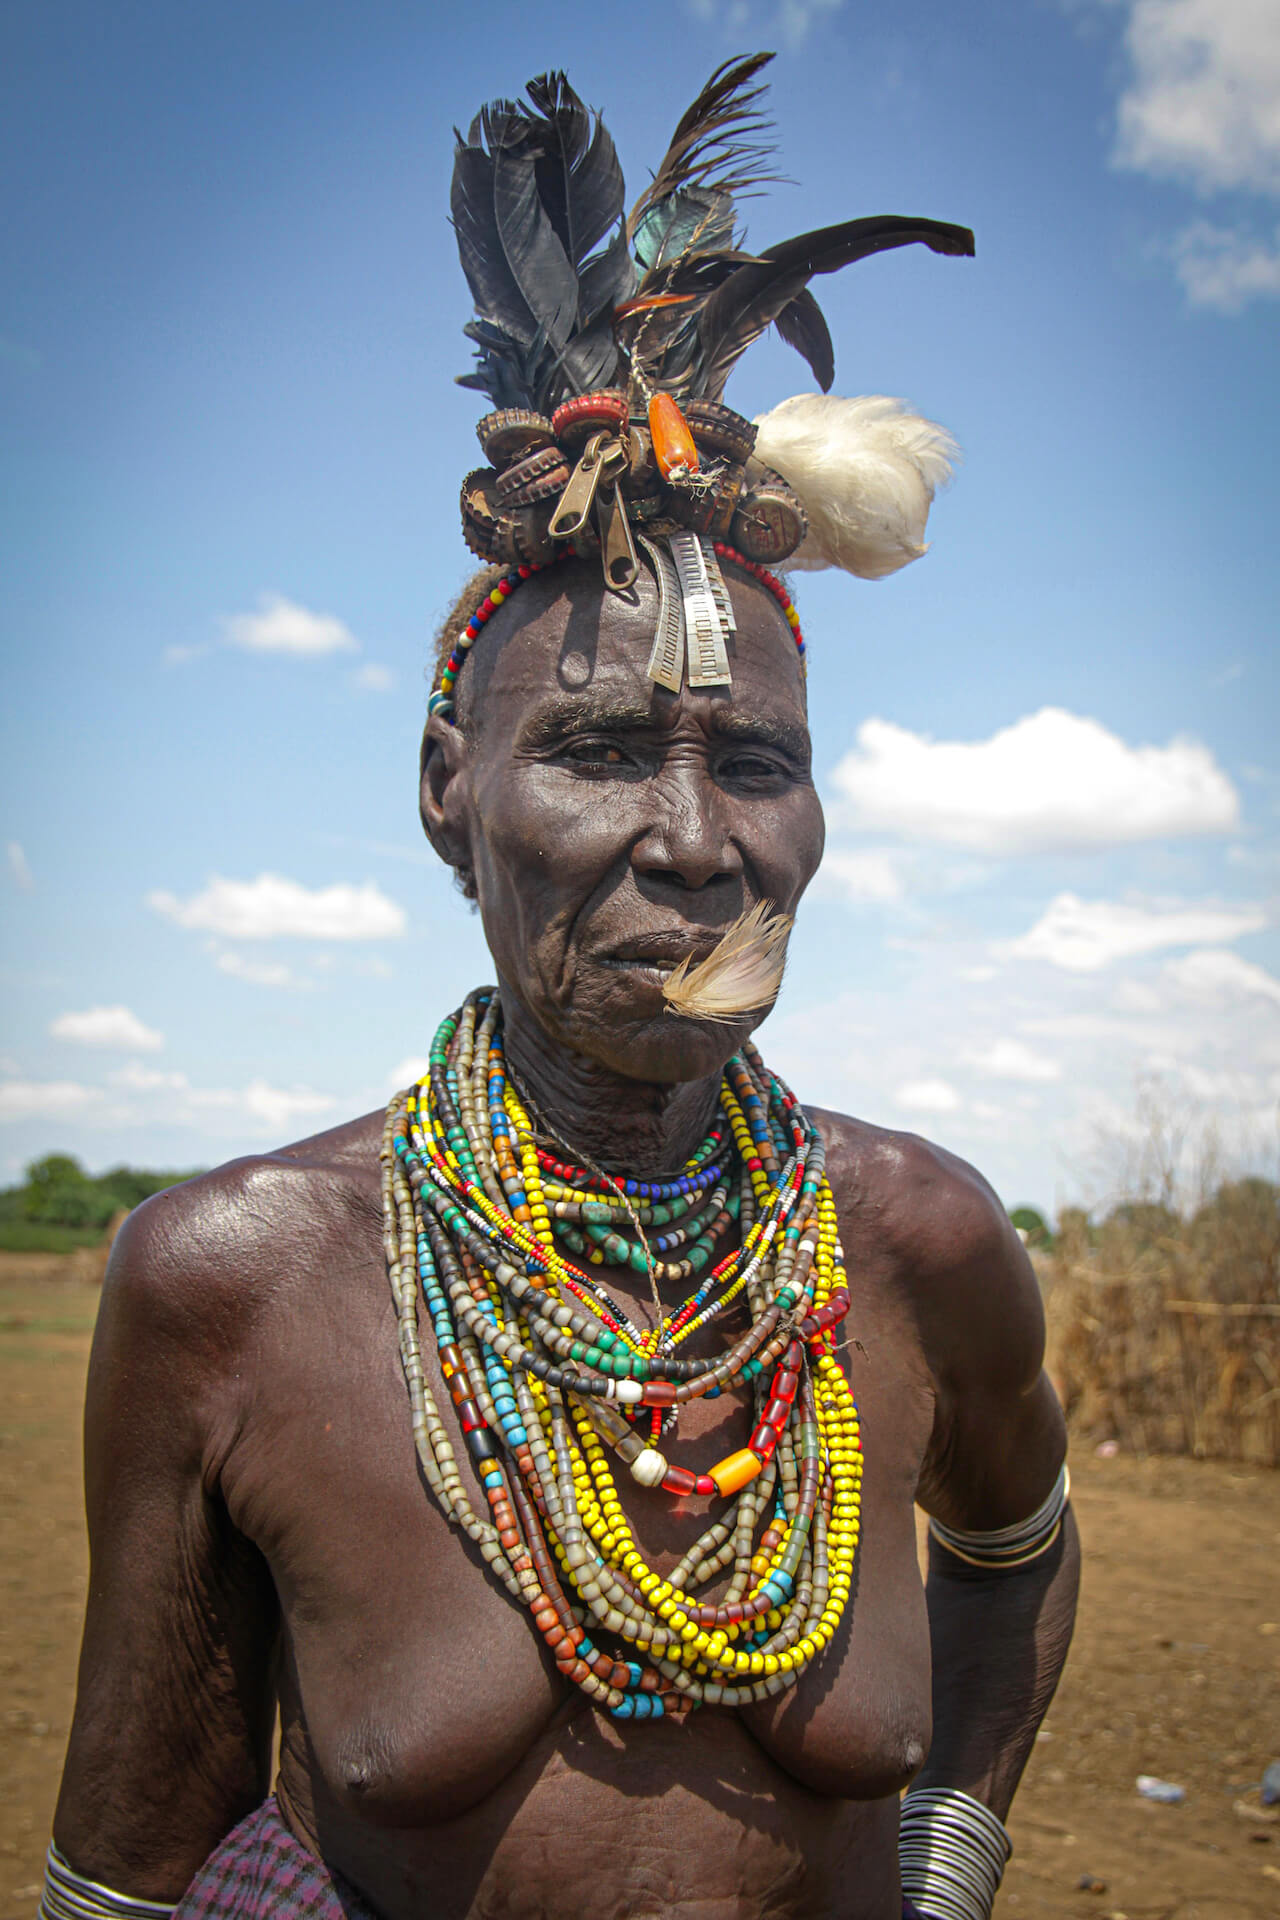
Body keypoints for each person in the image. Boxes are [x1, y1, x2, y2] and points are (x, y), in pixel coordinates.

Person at [44, 56, 1078, 1920]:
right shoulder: (232, 1284)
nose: (693, 840)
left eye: (753, 766)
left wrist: (947, 1852)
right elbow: (131, 1861)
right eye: (598, 751)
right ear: (453, 800)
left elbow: (1017, 1546)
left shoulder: (918, 1241)